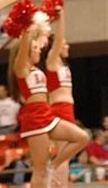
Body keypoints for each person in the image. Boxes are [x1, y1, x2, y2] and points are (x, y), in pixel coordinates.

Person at [8, 28, 88, 188]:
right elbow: (23, 48)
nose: (39, 50)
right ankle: (48, 170)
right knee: (40, 170)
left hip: (47, 115)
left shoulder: (35, 68)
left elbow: (46, 40)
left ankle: (53, 166)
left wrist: (39, 29)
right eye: (35, 48)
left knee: (82, 137)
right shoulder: (21, 68)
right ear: (27, 51)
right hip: (35, 119)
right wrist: (25, 31)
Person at [45, 3, 77, 188]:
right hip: (59, 110)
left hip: (67, 110)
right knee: (64, 153)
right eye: (65, 43)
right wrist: (61, 17)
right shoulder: (52, 60)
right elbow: (59, 39)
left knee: (65, 154)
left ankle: (58, 183)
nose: (67, 44)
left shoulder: (63, 65)